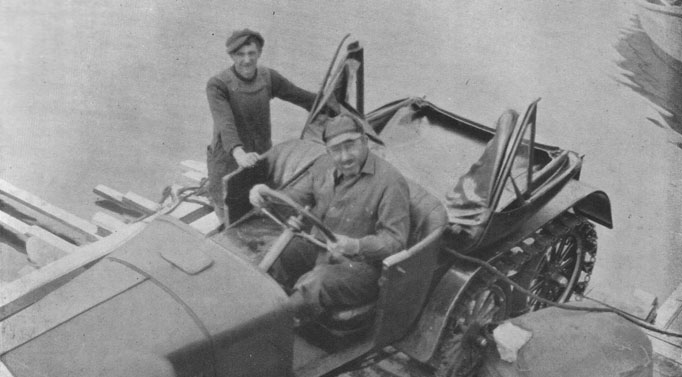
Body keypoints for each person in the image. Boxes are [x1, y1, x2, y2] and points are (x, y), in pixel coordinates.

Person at [249, 114, 411, 322]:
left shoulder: (390, 182)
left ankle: (274, 326)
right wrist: (267, 196)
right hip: (319, 247)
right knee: (276, 255)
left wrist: (356, 246)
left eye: (350, 145)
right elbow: (298, 197)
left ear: (364, 142)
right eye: (336, 149)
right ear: (328, 151)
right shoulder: (323, 165)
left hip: (361, 268)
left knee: (316, 283)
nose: (344, 157)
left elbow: (396, 241)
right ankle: (255, 313)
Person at [206, 28, 317, 224]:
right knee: (227, 210)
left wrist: (328, 105)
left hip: (259, 155)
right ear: (232, 55)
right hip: (228, 159)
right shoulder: (217, 85)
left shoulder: (267, 77)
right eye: (240, 55)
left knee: (259, 206)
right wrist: (239, 154)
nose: (247, 60)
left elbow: (300, 96)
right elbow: (225, 124)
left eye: (251, 53)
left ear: (259, 53)